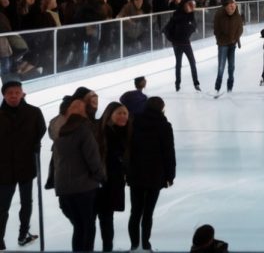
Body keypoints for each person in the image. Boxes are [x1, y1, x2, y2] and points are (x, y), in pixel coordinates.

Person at [53, 99, 105, 252]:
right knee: (87, 227)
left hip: (64, 188)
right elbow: (93, 159)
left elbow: (57, 161)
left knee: (79, 227)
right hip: (84, 188)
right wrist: (100, 177)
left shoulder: (60, 133)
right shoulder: (84, 131)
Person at [0, 81, 46, 249]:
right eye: (10, 93)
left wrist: (31, 144)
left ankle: (23, 234)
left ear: (22, 93)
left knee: (27, 203)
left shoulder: (34, 112)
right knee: (2, 206)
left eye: (17, 92)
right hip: (4, 169)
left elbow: (41, 130)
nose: (14, 95)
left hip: (26, 166)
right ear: (4, 95)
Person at [127, 97, 176, 251]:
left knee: (135, 211)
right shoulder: (164, 125)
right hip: (156, 175)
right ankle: (146, 244)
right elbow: (168, 152)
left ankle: (135, 245)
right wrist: (170, 175)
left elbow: (129, 148)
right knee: (148, 213)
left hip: (136, 174)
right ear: (162, 108)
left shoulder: (135, 122)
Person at [95, 102, 130, 252]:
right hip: (102, 182)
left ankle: (107, 248)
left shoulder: (122, 131)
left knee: (107, 218)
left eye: (125, 113)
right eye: (119, 113)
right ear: (110, 115)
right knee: (103, 217)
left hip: (113, 182)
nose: (123, 116)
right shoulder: (104, 132)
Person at [165, 0, 200, 92]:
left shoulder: (191, 16)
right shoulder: (177, 16)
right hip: (177, 44)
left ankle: (196, 83)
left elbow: (194, 26)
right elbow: (167, 29)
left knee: (192, 62)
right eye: (190, 7)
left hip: (186, 43)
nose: (191, 9)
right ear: (185, 6)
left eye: (192, 8)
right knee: (179, 64)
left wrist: (191, 29)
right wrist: (173, 40)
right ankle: (177, 84)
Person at [213, 0, 244, 95]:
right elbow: (216, 28)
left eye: (234, 6)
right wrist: (220, 38)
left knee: (231, 67)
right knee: (221, 68)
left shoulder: (237, 16)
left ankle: (230, 88)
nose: (232, 8)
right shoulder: (220, 15)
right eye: (230, 6)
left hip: (232, 45)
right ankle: (217, 89)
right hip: (222, 44)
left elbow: (240, 29)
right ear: (226, 6)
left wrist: (235, 39)